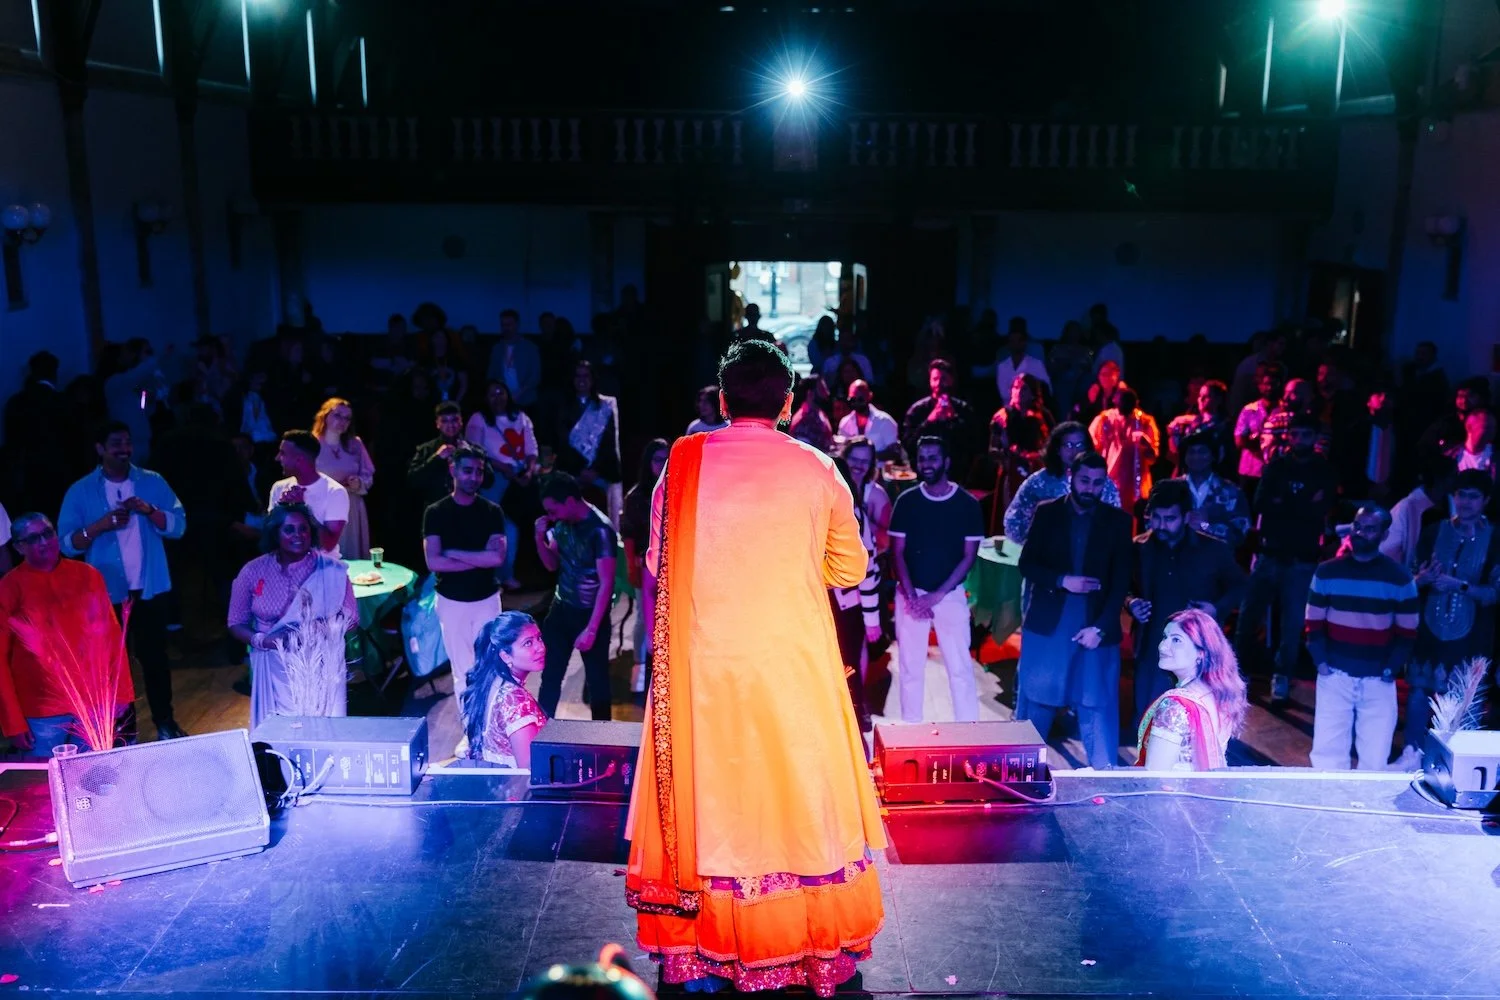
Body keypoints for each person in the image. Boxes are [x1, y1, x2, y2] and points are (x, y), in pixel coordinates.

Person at [625, 339, 884, 995]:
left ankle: (706, 946)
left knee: (716, 799)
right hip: (793, 665)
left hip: (704, 670)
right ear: (788, 404)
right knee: (793, 800)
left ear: (721, 400)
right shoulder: (818, 467)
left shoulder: (682, 464)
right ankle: (801, 945)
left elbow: (657, 564)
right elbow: (849, 569)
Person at [58, 421, 188, 740]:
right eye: (116, 443)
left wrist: (150, 510)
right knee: (113, 667)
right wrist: (99, 526)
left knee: (155, 659)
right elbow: (66, 544)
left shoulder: (152, 481)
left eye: (127, 443)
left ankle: (165, 722)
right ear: (100, 448)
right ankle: (122, 732)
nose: (124, 449)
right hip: (105, 594)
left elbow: (179, 526)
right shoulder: (81, 490)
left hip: (149, 588)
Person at [1015, 453, 1133, 769]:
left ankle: (1104, 780)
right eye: (1084, 481)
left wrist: (1102, 628)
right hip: (1049, 626)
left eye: (1097, 483)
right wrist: (1062, 580)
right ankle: (1022, 774)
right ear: (1071, 477)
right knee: (1037, 700)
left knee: (1096, 704)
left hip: (1095, 628)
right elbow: (1027, 564)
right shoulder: (1047, 513)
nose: (1090, 489)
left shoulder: (1118, 521)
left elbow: (1121, 581)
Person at [0, 513, 135, 755]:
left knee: (93, 773)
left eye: (48, 533)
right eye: (33, 538)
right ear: (19, 547)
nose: (44, 542)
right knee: (46, 777)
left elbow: (113, 639)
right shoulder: (9, 588)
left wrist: (122, 692)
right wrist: (13, 722)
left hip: (93, 703)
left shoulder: (87, 575)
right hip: (41, 712)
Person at [1396, 471, 1500, 769]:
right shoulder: (1433, 531)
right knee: (1419, 692)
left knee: (1464, 697)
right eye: (1461, 495)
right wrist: (1423, 579)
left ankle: (1457, 766)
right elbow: (1411, 579)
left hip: (1474, 631)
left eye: (1473, 496)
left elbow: (1495, 592)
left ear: (1486, 501)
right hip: (1430, 627)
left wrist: (1461, 586)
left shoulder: (1495, 538)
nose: (1465, 502)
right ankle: (1411, 755)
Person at [1304, 504, 1419, 770]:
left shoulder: (1399, 578)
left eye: (1369, 529)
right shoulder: (1327, 571)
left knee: (1375, 758)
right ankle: (1329, 798)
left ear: (1384, 535)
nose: (1360, 533)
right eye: (1357, 526)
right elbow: (1313, 622)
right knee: (1327, 757)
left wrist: (1390, 669)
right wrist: (1321, 663)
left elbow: (1407, 632)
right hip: (1335, 674)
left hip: (1378, 678)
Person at [226, 503, 357, 729]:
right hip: (271, 664)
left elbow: (351, 617)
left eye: (303, 529)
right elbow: (235, 621)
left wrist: (313, 631)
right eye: (289, 530)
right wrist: (262, 640)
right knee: (279, 732)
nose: (298, 535)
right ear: (275, 534)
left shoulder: (332, 571)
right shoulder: (253, 571)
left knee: (322, 730)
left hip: (320, 663)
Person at [1235, 414, 1337, 702]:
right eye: (1295, 434)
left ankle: (1282, 676)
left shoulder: (1324, 470)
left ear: (1315, 437)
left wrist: (1284, 503)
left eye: (1306, 434)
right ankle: (1238, 674)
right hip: (1269, 552)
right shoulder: (1277, 466)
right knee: (1248, 617)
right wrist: (1304, 503)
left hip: (1302, 557)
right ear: (1288, 436)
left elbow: (1322, 508)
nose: (1299, 439)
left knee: (1291, 625)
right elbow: (1261, 503)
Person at [1128, 481, 1246, 725]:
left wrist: (1216, 608)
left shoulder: (1212, 550)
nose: (1161, 525)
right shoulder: (1139, 548)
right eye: (1156, 518)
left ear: (1186, 517)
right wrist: (1131, 603)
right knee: (1150, 724)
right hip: (1152, 651)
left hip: (1198, 654)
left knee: (1197, 726)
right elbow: (1122, 586)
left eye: (1169, 519)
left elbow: (1240, 586)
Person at [889, 436, 985, 723]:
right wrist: (913, 597)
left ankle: (968, 730)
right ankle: (911, 731)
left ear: (946, 462)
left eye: (932, 458)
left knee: (960, 668)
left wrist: (936, 596)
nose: (926, 464)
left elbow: (968, 557)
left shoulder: (967, 504)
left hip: (949, 595)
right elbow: (897, 553)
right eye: (922, 458)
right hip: (911, 595)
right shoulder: (907, 501)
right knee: (910, 668)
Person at [422, 443, 508, 710]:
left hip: (487, 599)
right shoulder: (436, 512)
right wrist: (479, 558)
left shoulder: (492, 511)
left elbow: (497, 558)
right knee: (462, 671)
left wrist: (454, 553)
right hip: (452, 602)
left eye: (479, 472)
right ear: (453, 470)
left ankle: (491, 725)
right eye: (468, 471)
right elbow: (434, 562)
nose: (474, 477)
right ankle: (471, 728)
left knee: (492, 668)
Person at [534, 473, 617, 720]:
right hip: (561, 609)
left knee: (597, 683)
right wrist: (539, 538)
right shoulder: (562, 523)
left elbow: (607, 583)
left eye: (553, 510)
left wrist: (591, 629)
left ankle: (602, 738)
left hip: (590, 614)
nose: (551, 516)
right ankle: (541, 734)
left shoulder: (600, 529)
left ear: (570, 501)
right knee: (550, 676)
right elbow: (551, 565)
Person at [1136, 609, 1248, 770]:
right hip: (1206, 786)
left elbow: (1155, 776)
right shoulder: (1221, 695)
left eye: (1176, 640)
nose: (1163, 646)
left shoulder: (1175, 706)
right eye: (1165, 637)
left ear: (1201, 653)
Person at [1002, 421, 1122, 545]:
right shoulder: (1038, 482)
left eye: (1080, 445)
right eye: (1068, 445)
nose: (1075, 451)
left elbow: (1115, 522)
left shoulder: (1103, 482)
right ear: (1057, 449)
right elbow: (1013, 521)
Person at [466, 381, 535, 589]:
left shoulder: (520, 417)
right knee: (497, 528)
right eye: (492, 394)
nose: (497, 398)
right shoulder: (478, 419)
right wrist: (502, 467)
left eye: (501, 393)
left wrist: (529, 471)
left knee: (513, 528)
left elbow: (532, 448)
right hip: (493, 481)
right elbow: (474, 451)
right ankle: (494, 575)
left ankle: (506, 574)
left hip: (518, 481)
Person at [461, 612, 549, 767]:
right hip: (513, 781)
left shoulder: (491, 681)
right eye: (528, 643)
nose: (540, 648)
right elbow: (529, 769)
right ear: (506, 656)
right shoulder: (515, 701)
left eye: (539, 638)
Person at [620, 439, 669, 696]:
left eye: (666, 458)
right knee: (643, 616)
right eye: (657, 459)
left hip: (671, 564)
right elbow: (628, 534)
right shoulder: (636, 497)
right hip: (644, 563)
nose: (662, 464)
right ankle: (640, 669)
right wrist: (631, 565)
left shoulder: (676, 489)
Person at [312, 398, 376, 560]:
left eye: (347, 418)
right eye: (338, 415)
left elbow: (368, 475)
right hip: (324, 507)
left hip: (351, 506)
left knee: (351, 553)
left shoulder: (355, 444)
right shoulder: (312, 444)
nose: (342, 421)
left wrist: (359, 483)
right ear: (325, 416)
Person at [268, 430, 350, 554]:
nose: (277, 458)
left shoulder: (335, 492)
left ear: (299, 460)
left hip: (321, 564)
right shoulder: (279, 488)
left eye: (283, 453)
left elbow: (328, 545)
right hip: (285, 563)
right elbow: (270, 538)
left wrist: (302, 508)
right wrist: (281, 509)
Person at [1089, 387, 1159, 518]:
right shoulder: (1104, 420)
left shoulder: (1145, 422)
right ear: (1115, 401)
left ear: (1136, 403)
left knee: (1132, 521)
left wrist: (1146, 444)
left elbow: (1153, 458)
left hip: (1135, 487)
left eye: (1129, 403)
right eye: (1122, 402)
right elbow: (1090, 447)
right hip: (1109, 481)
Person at [487, 308, 543, 408]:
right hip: (502, 402)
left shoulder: (530, 348)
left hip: (527, 401)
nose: (506, 328)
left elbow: (535, 377)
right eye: (503, 325)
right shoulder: (497, 349)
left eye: (509, 325)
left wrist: (519, 393)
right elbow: (492, 375)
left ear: (517, 325)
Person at [837, 380, 901, 458]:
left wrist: (869, 458)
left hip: (879, 465)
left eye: (860, 399)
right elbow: (842, 451)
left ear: (869, 397)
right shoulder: (844, 423)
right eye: (853, 400)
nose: (856, 403)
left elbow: (895, 452)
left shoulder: (885, 421)